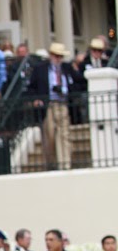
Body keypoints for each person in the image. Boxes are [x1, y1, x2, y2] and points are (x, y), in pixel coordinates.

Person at [28, 42, 83, 171]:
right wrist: (36, 99)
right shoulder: (40, 69)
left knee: (65, 135)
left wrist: (65, 91)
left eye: (60, 56)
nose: (58, 59)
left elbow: (79, 83)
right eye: (56, 56)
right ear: (51, 55)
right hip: (49, 106)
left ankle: (65, 164)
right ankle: (51, 164)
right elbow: (31, 87)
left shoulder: (67, 68)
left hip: (63, 104)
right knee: (50, 135)